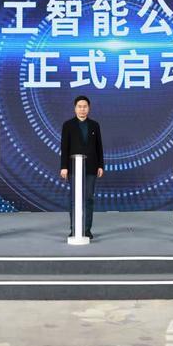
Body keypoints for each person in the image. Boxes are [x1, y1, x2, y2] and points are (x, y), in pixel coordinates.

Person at [59, 95, 104, 239]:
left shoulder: (94, 125)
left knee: (89, 198)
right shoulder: (68, 125)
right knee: (74, 199)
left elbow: (99, 147)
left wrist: (100, 165)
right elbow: (64, 147)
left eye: (85, 107)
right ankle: (74, 229)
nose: (82, 109)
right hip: (73, 168)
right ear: (75, 108)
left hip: (91, 167)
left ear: (88, 108)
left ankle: (87, 229)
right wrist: (64, 166)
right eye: (79, 107)